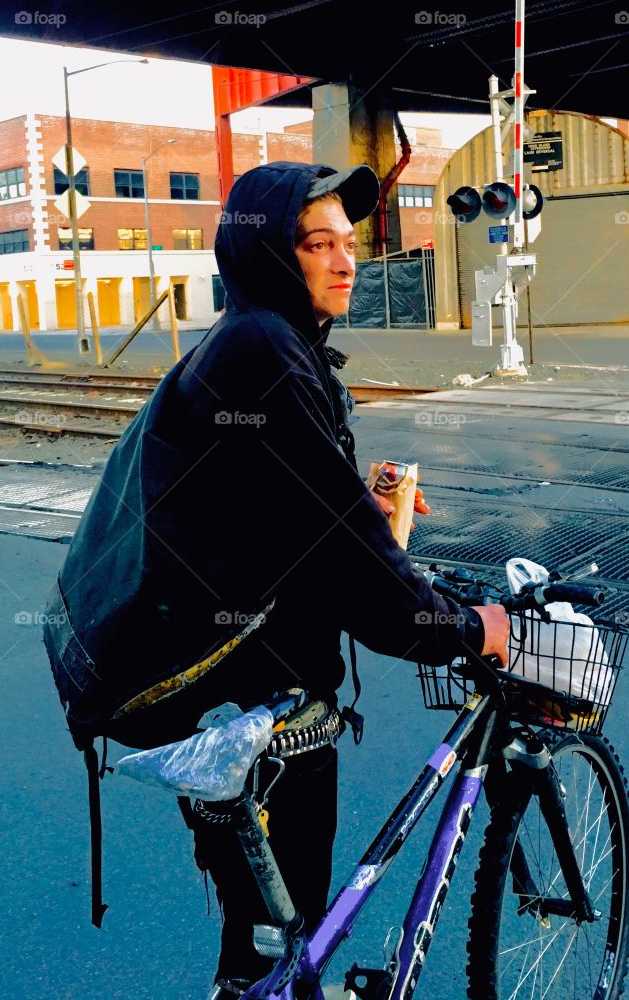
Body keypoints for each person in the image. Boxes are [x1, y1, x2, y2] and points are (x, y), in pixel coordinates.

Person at [121, 161, 509, 998]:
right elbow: (354, 572)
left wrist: (375, 516)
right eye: (318, 245)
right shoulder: (266, 350)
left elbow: (299, 524)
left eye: (349, 244)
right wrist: (468, 628)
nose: (346, 263)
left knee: (266, 943)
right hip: (261, 702)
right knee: (278, 939)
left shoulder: (262, 341)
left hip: (233, 684)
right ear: (269, 256)